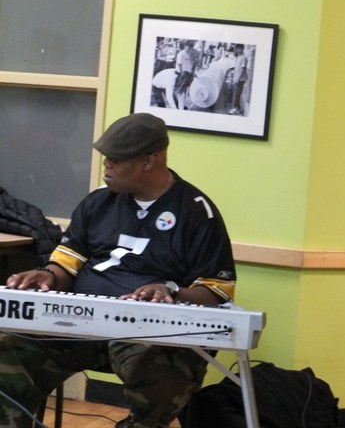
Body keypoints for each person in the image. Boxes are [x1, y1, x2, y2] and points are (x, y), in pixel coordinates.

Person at [0, 113, 236, 428]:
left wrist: (171, 291)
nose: (106, 165)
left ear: (149, 160)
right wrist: (49, 275)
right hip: (79, 329)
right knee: (10, 353)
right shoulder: (97, 203)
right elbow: (68, 262)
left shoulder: (195, 212)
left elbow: (216, 292)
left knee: (155, 371)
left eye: (116, 159)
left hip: (150, 338)